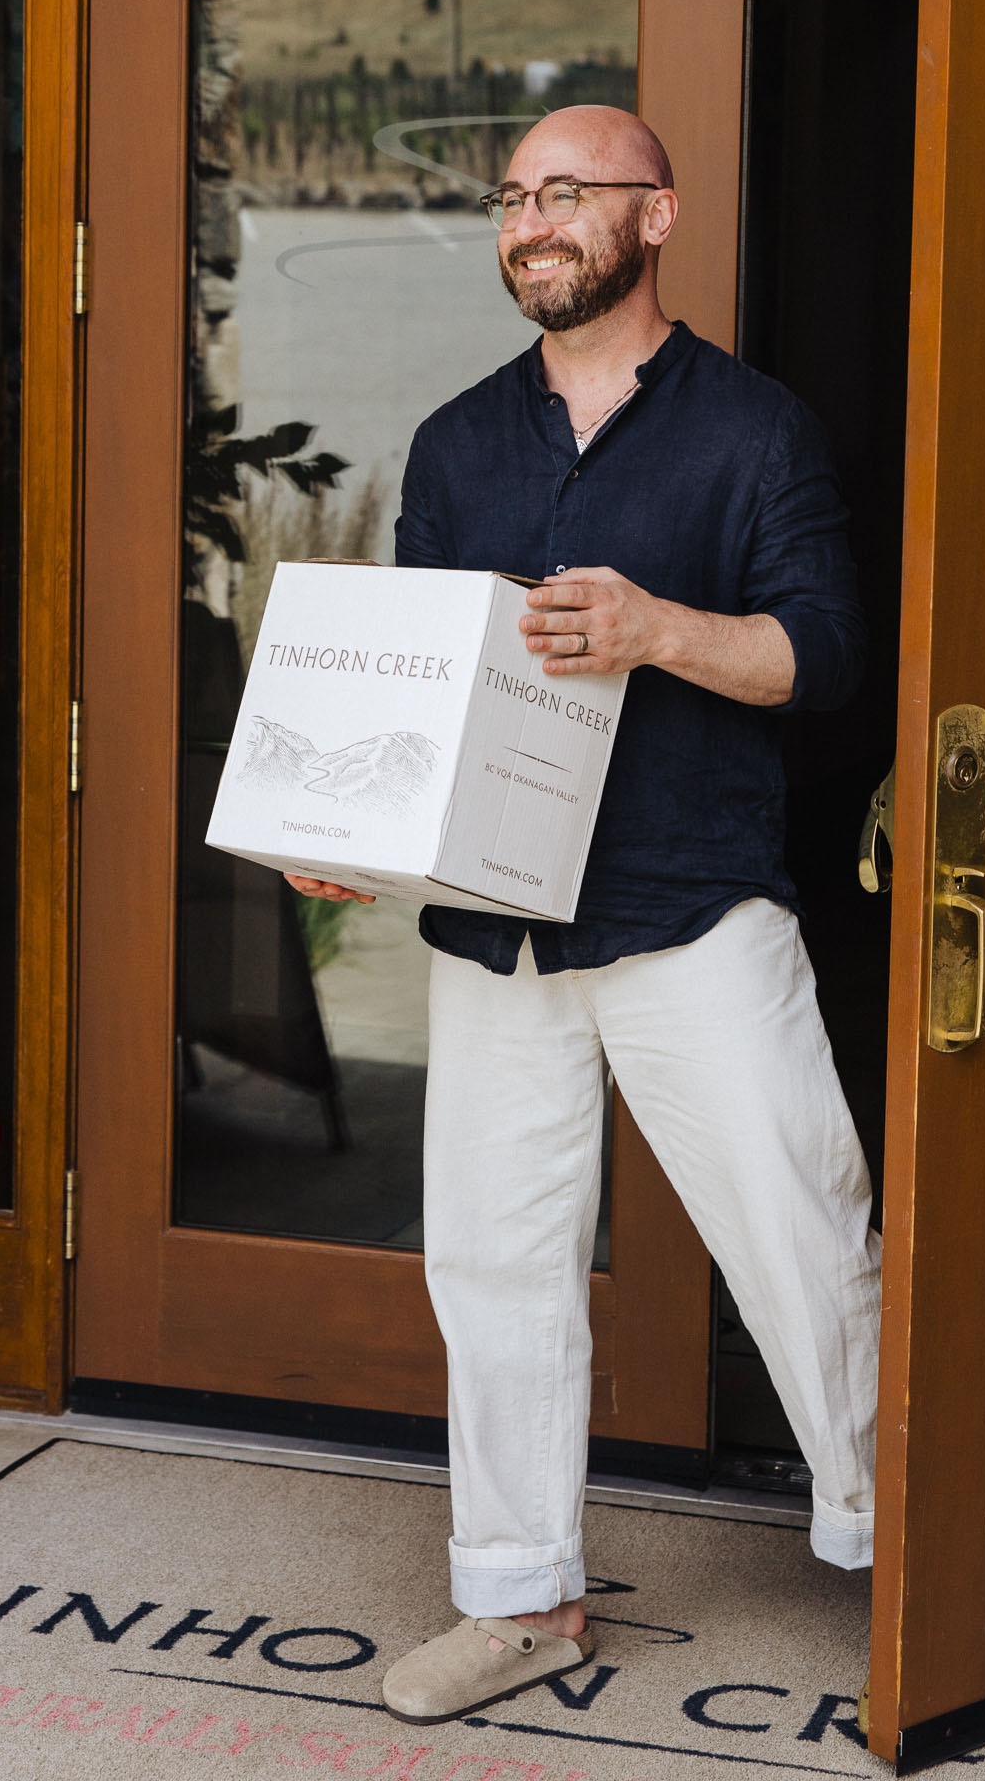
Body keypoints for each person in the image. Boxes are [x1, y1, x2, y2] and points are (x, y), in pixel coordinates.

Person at [285, 104, 881, 1726]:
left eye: (567, 192)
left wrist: (661, 626)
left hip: (692, 908)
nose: (531, 219)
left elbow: (825, 656)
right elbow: (422, 688)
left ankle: (913, 1557)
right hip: (496, 925)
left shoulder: (757, 433)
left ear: (658, 214)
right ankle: (523, 1596)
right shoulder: (459, 441)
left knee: (800, 1233)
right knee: (493, 1267)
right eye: (511, 196)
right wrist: (349, 825)